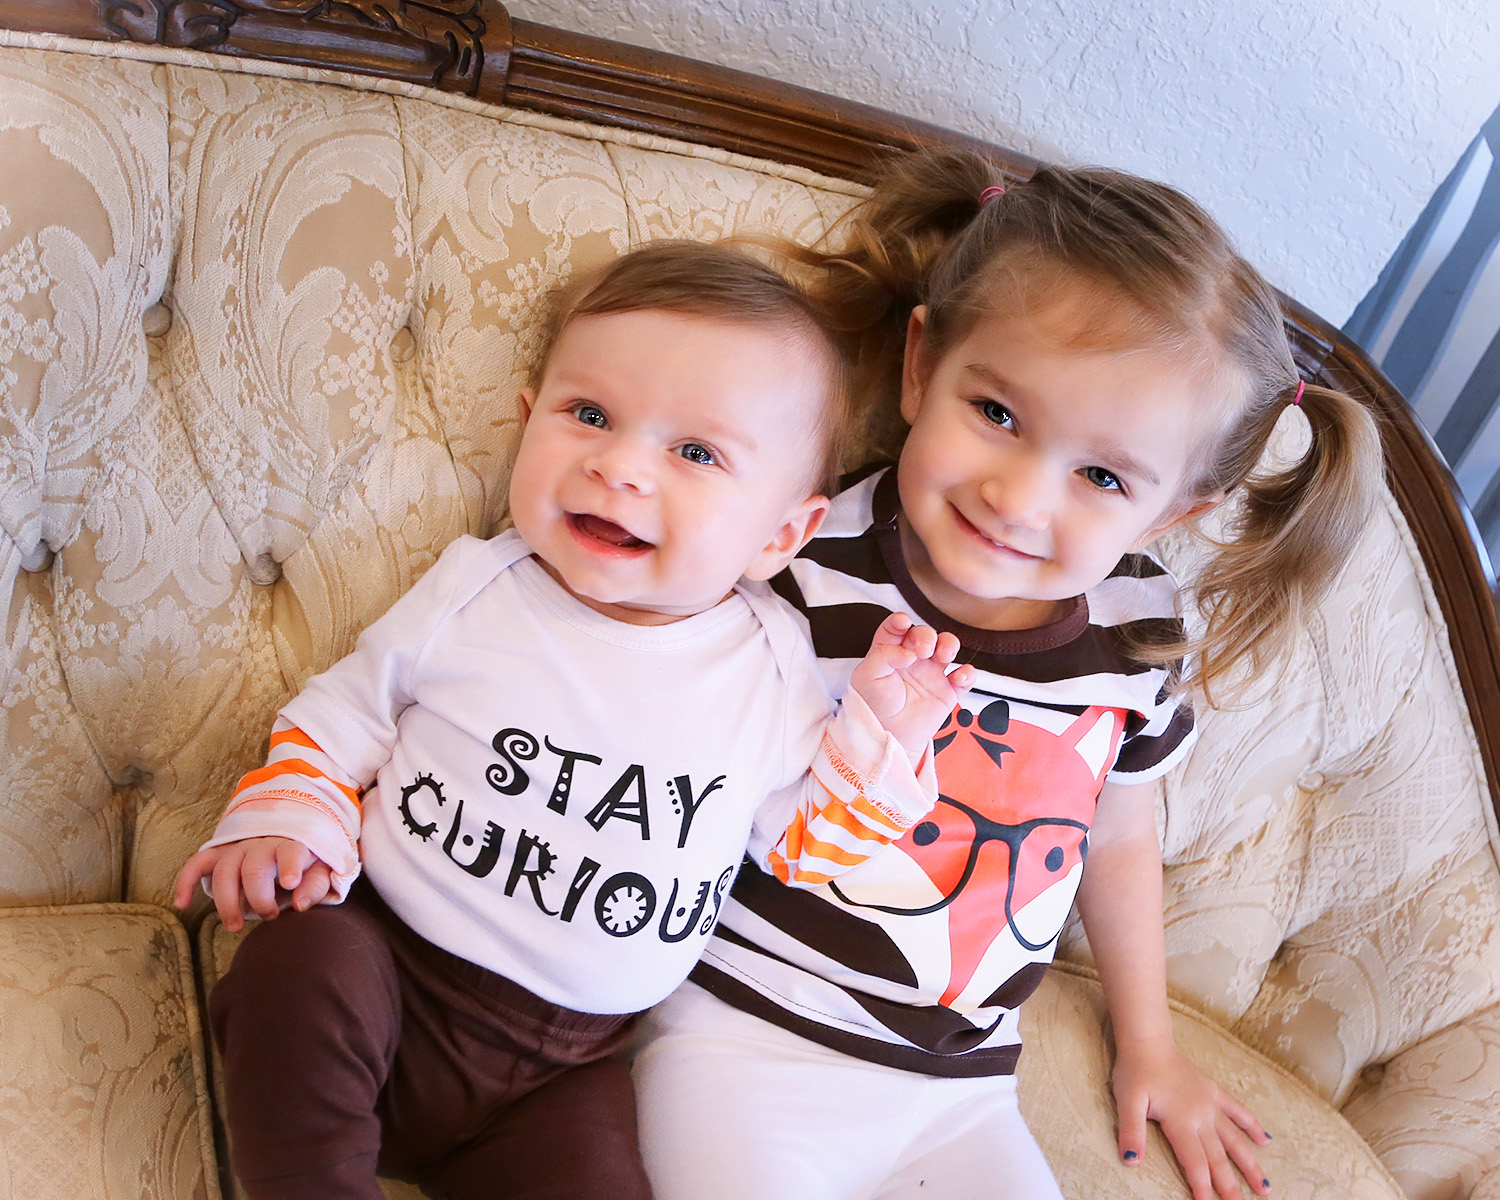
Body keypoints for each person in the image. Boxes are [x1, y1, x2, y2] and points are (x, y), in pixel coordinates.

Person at [633, 152, 1383, 1200]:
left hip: (960, 1091)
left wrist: (1150, 1047)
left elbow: (1116, 834)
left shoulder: (1135, 628)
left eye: (1101, 475)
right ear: (922, 367)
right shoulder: (798, 559)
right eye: (996, 413)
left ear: (1168, 514)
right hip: (740, 1031)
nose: (1019, 498)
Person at [173, 241, 976, 1200]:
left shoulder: (772, 672)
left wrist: (883, 734)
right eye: (589, 415)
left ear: (780, 535)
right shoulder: (480, 590)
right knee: (293, 969)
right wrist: (285, 821)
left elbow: (805, 848)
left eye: (695, 453)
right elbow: (345, 714)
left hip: (561, 1072)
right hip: (385, 961)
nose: (619, 466)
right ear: (528, 425)